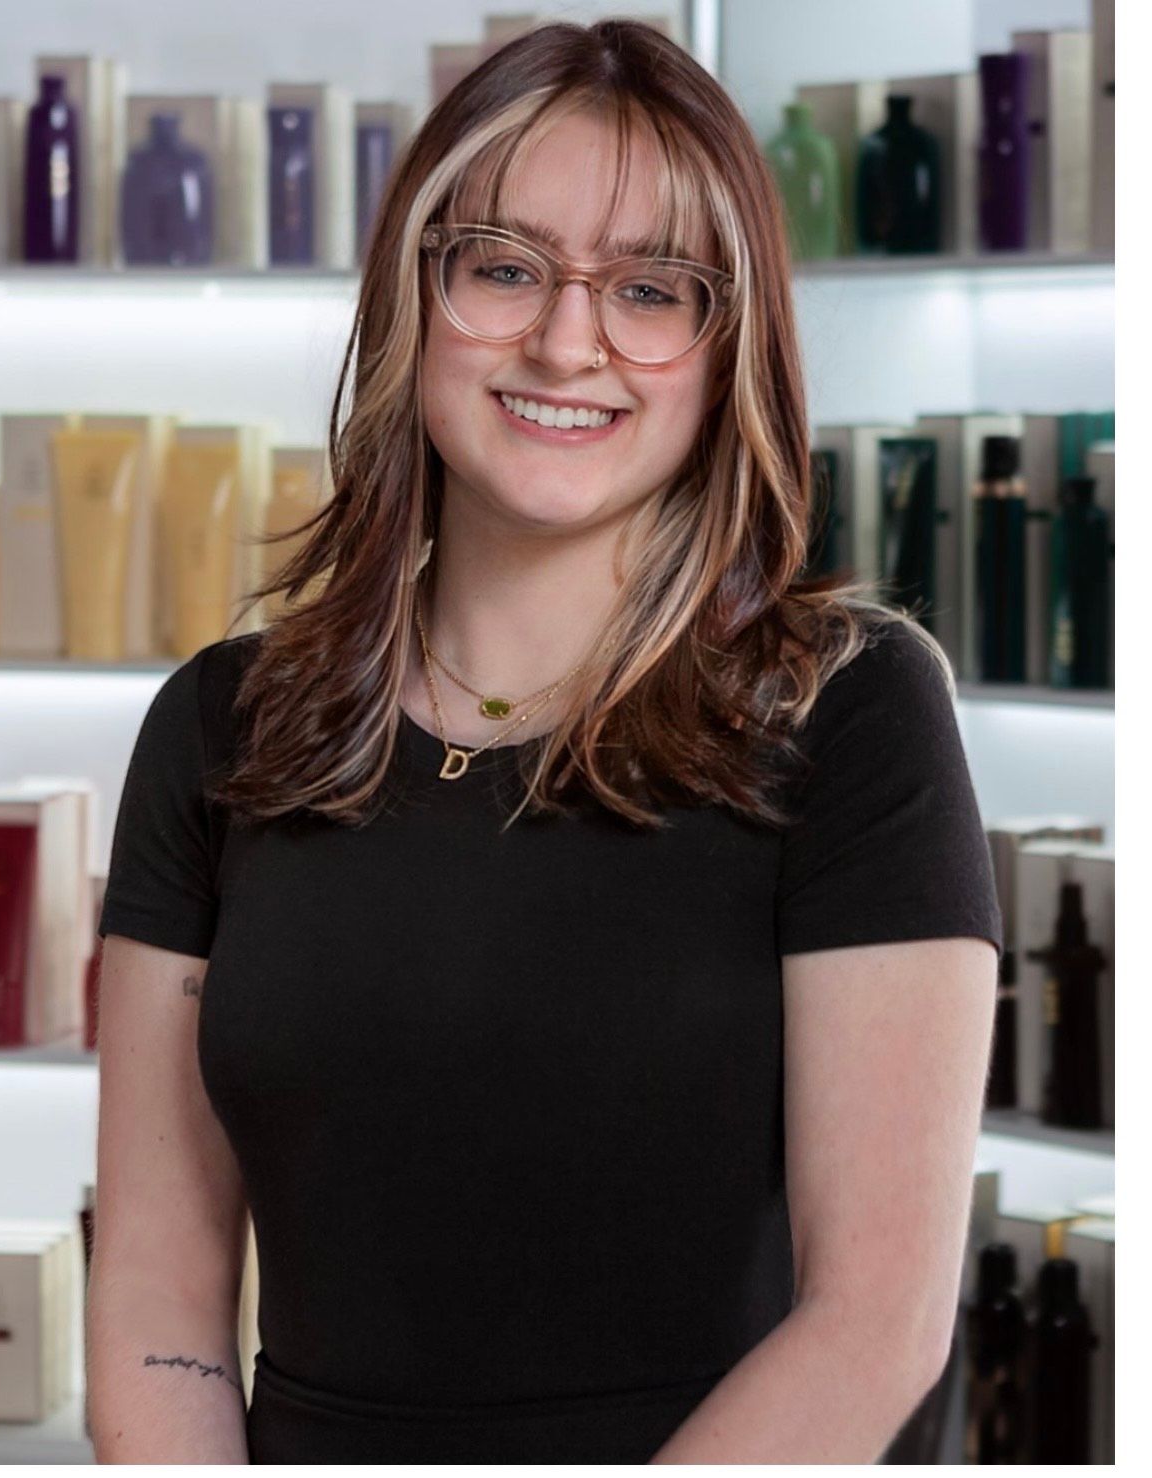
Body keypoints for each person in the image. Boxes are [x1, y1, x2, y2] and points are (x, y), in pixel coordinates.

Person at [85, 18, 1004, 1465]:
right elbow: (155, 1302)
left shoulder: (851, 709)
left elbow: (872, 1320)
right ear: (418, 292)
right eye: (505, 267)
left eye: (651, 289)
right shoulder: (221, 722)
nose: (566, 339)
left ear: (726, 345)